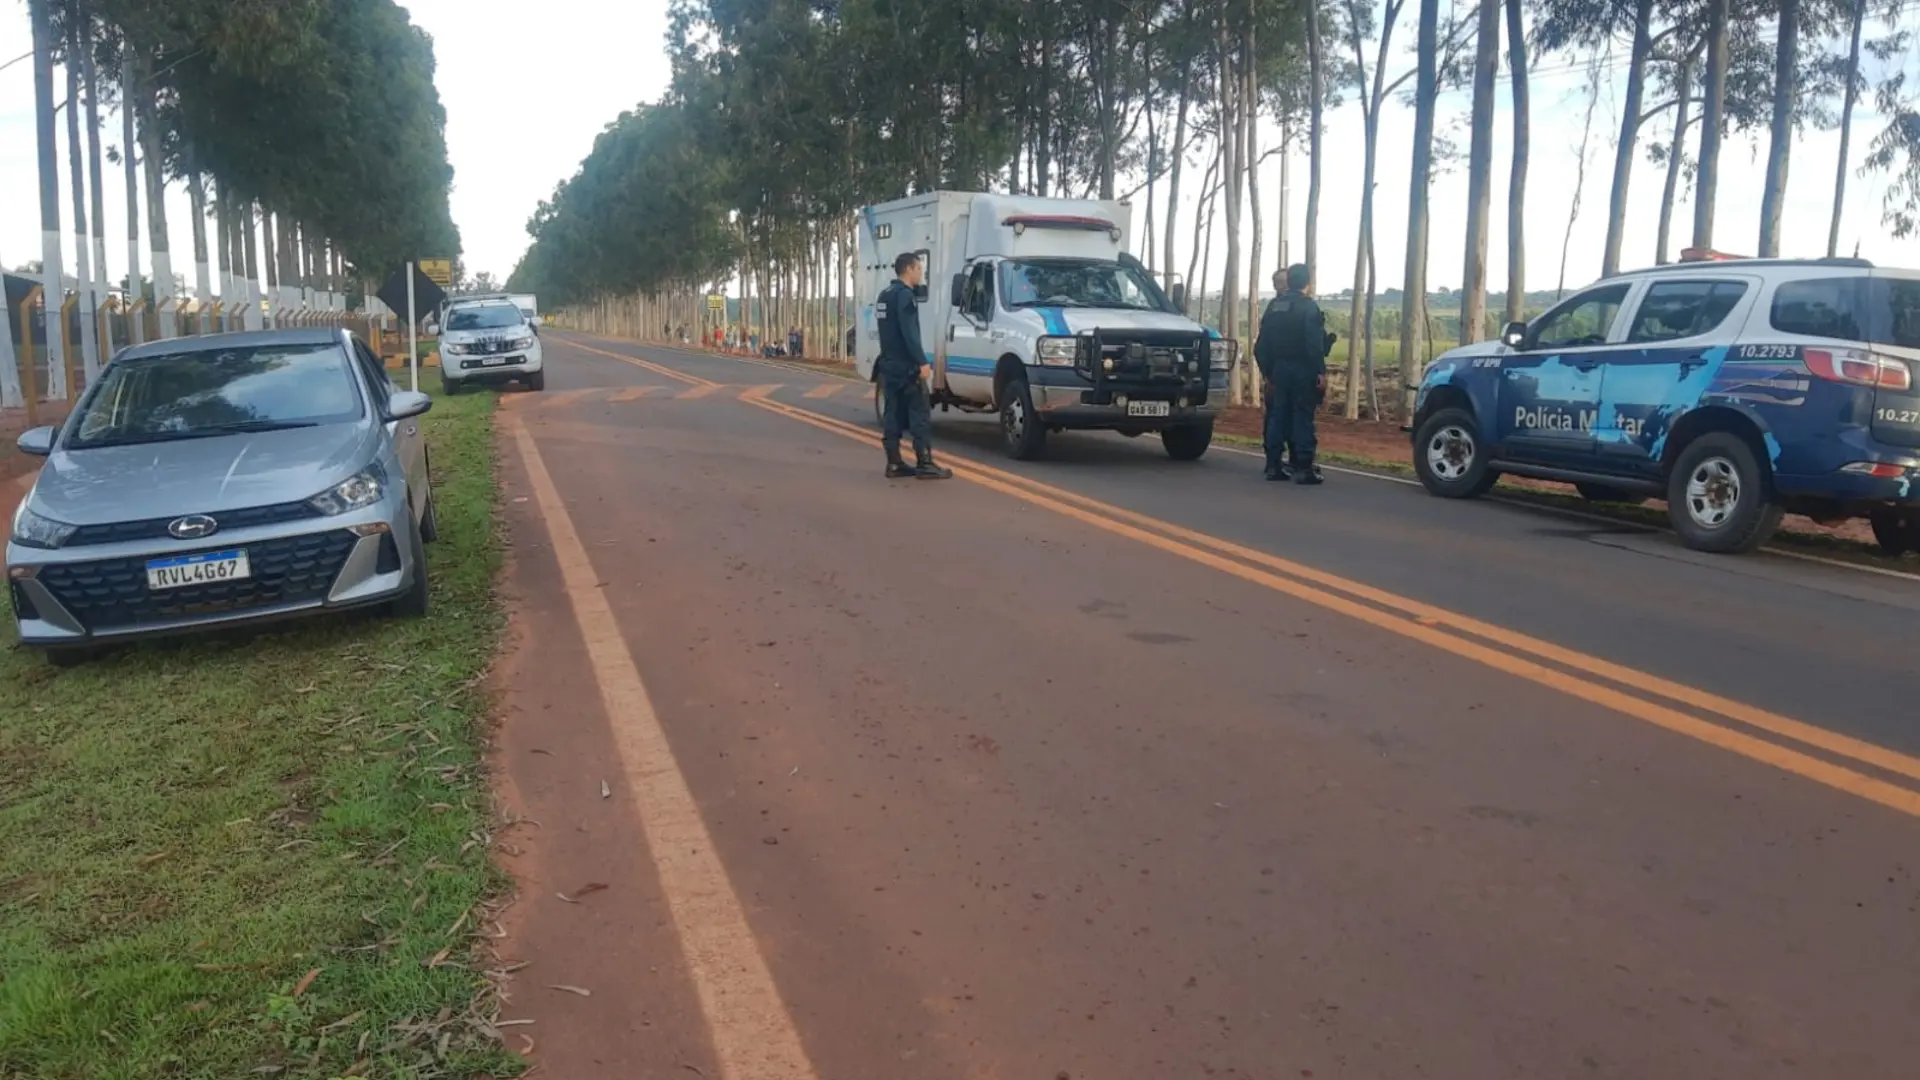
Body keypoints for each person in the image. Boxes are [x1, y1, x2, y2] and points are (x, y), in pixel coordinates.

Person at [875, 253, 952, 480]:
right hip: (907, 366)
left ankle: (894, 462)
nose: (922, 273)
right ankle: (924, 462)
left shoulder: (884, 295)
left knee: (892, 413)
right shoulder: (905, 296)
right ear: (909, 269)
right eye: (919, 268)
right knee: (919, 412)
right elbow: (909, 333)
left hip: (888, 364)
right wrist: (921, 361)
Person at [1254, 263, 1331, 485]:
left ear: (1289, 281)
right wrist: (1320, 372)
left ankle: (1273, 466)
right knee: (1302, 417)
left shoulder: (1274, 307)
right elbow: (1313, 345)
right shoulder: (1309, 308)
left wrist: (1268, 373)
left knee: (1278, 417)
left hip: (1278, 370)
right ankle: (1304, 467)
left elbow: (1260, 346)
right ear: (1307, 282)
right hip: (1303, 369)